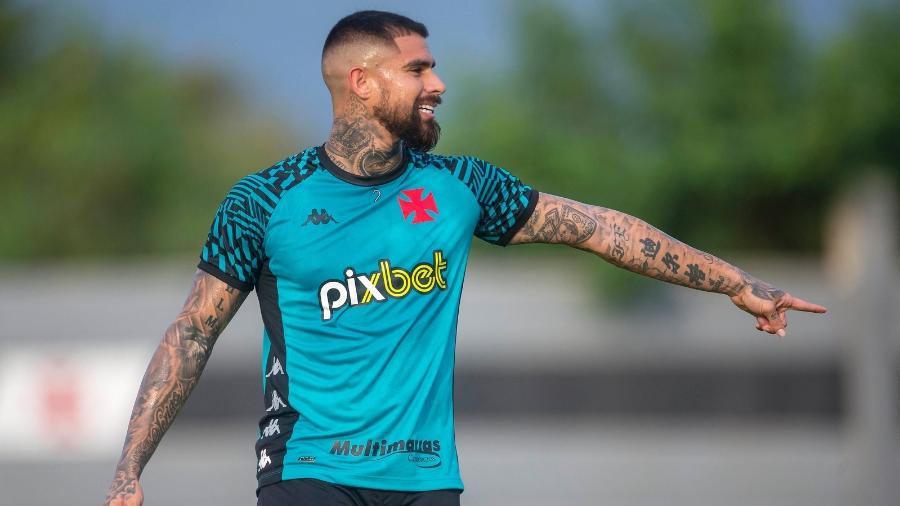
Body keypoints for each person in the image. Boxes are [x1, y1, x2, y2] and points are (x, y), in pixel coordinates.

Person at [104, 10, 827, 506]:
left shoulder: (461, 187)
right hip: (307, 471)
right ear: (363, 82)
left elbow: (599, 228)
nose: (438, 84)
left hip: (426, 476)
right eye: (418, 69)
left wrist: (736, 282)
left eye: (435, 68)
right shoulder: (265, 200)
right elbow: (192, 334)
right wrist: (130, 470)